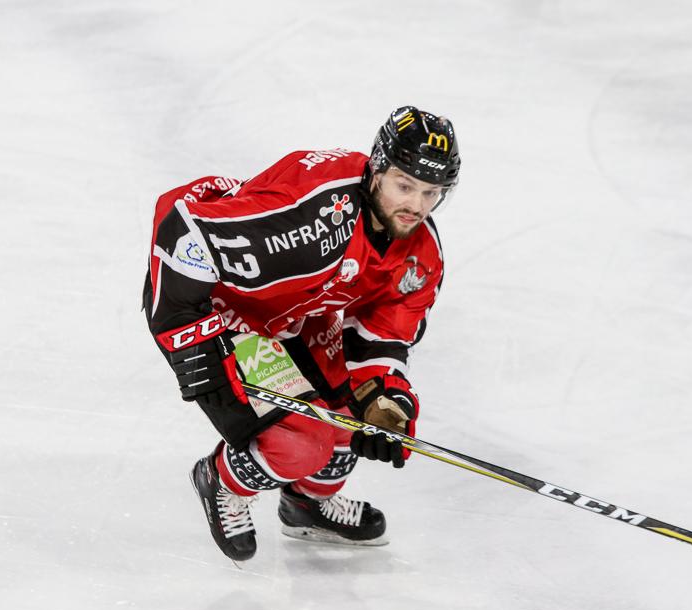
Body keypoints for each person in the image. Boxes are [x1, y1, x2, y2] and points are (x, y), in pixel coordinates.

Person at [143, 106, 460, 561]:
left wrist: (385, 398)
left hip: (298, 312)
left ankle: (306, 505)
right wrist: (191, 343)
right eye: (404, 185)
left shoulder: (420, 253)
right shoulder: (315, 216)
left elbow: (382, 336)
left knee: (353, 416)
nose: (417, 205)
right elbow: (183, 233)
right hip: (224, 308)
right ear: (376, 169)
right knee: (301, 442)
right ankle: (222, 481)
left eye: (431, 192)